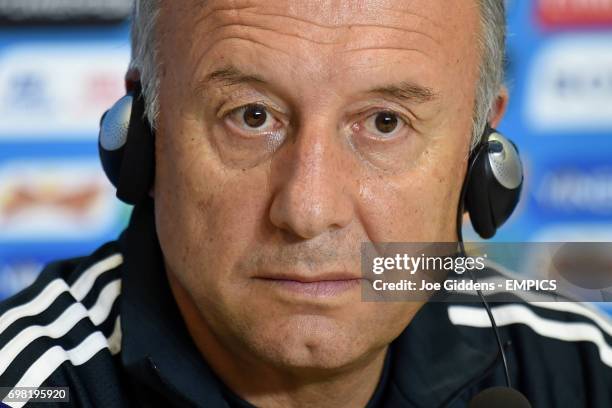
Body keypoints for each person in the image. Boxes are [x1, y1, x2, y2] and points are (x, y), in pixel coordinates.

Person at [1, 1, 611, 407]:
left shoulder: (582, 373)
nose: (309, 210)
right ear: (144, 137)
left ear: (479, 157)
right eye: (252, 116)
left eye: (384, 122)